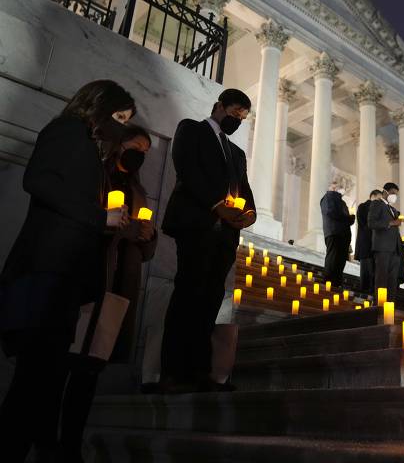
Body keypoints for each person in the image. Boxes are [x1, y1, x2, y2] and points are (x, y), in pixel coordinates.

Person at [0, 80, 133, 461]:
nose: (121, 127)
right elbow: (37, 181)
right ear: (99, 106)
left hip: (65, 277)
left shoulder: (91, 147)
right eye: (119, 117)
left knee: (44, 380)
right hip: (47, 271)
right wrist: (99, 215)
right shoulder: (66, 130)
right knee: (33, 381)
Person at [59, 125, 157, 459]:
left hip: (118, 284)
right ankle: (46, 437)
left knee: (91, 368)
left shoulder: (139, 190)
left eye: (146, 150)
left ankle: (70, 443)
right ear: (119, 143)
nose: (140, 153)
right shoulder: (96, 175)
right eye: (136, 145)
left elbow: (146, 244)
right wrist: (110, 223)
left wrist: (146, 235)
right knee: (62, 362)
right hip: (87, 278)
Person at [160, 89, 256, 393]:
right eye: (235, 112)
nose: (237, 119)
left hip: (225, 235)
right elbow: (187, 170)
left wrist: (249, 214)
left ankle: (200, 370)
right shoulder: (192, 129)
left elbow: (244, 187)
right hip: (196, 224)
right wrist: (218, 206)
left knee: (211, 298)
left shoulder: (237, 153)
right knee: (189, 293)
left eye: (242, 116)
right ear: (219, 106)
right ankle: (173, 372)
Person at [367, 183, 403, 302]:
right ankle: (380, 306)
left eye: (396, 194)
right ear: (385, 191)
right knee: (381, 279)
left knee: (392, 281)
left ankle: (390, 308)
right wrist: (391, 223)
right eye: (393, 193)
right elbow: (371, 223)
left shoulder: (393, 209)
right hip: (382, 247)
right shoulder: (377, 204)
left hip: (395, 249)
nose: (394, 196)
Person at [320, 182, 355, 288]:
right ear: (332, 188)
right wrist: (348, 218)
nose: (341, 189)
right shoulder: (328, 197)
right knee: (333, 258)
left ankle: (336, 283)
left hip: (343, 234)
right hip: (334, 232)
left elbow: (344, 217)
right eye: (338, 187)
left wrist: (350, 218)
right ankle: (329, 282)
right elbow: (331, 212)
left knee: (340, 261)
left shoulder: (342, 202)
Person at [354, 190, 381, 298]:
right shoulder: (364, 206)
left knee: (373, 273)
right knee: (366, 272)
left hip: (374, 245)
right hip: (366, 244)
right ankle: (365, 296)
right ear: (373, 196)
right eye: (378, 198)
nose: (380, 201)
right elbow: (366, 223)